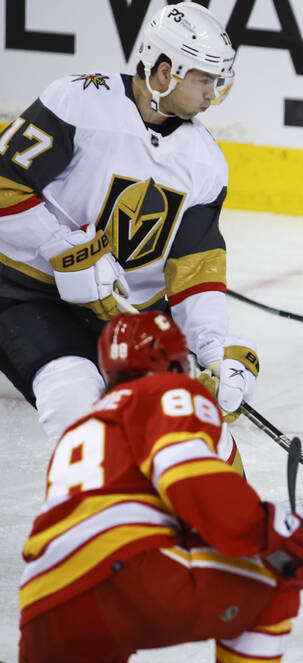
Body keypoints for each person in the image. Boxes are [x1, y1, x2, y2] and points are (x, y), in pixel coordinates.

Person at [3, 311, 303, 663]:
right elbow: (189, 477)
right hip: (123, 577)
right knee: (272, 577)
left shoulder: (83, 428)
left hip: (44, 608)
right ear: (175, 362)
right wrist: (275, 533)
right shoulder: (167, 392)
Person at [0, 1, 257, 446]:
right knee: (76, 401)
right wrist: (63, 248)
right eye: (203, 80)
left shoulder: (206, 163)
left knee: (191, 426)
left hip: (125, 313)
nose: (211, 95)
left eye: (218, 82)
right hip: (27, 293)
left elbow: (196, 271)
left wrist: (216, 349)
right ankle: (97, 511)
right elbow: (5, 185)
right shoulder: (77, 102)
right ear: (163, 71)